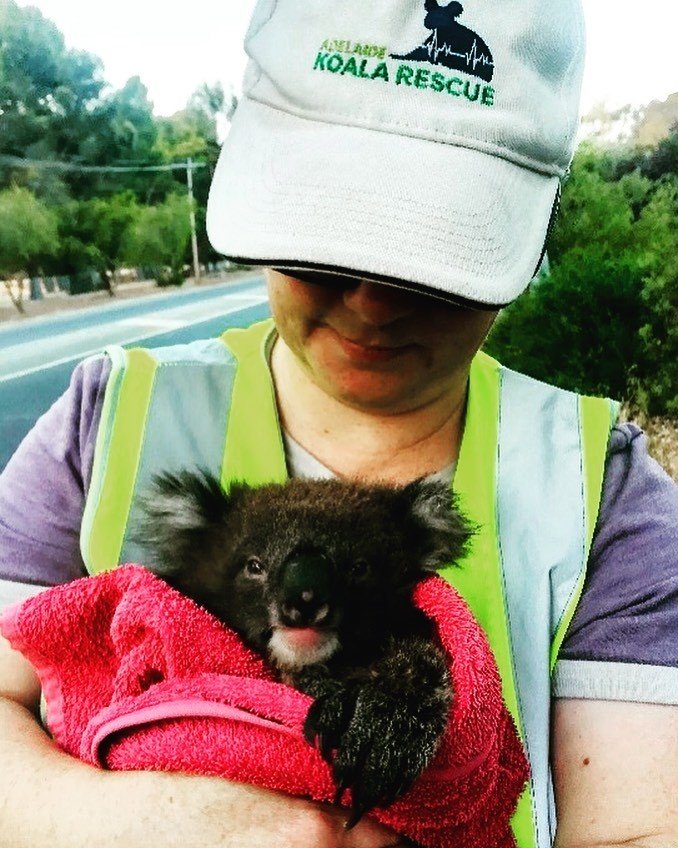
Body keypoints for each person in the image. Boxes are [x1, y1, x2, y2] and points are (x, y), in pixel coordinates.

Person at [1, 0, 677, 846]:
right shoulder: (107, 424)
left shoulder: (597, 490)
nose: (373, 301)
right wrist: (140, 823)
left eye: (440, 249)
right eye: (326, 237)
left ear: (537, 221)